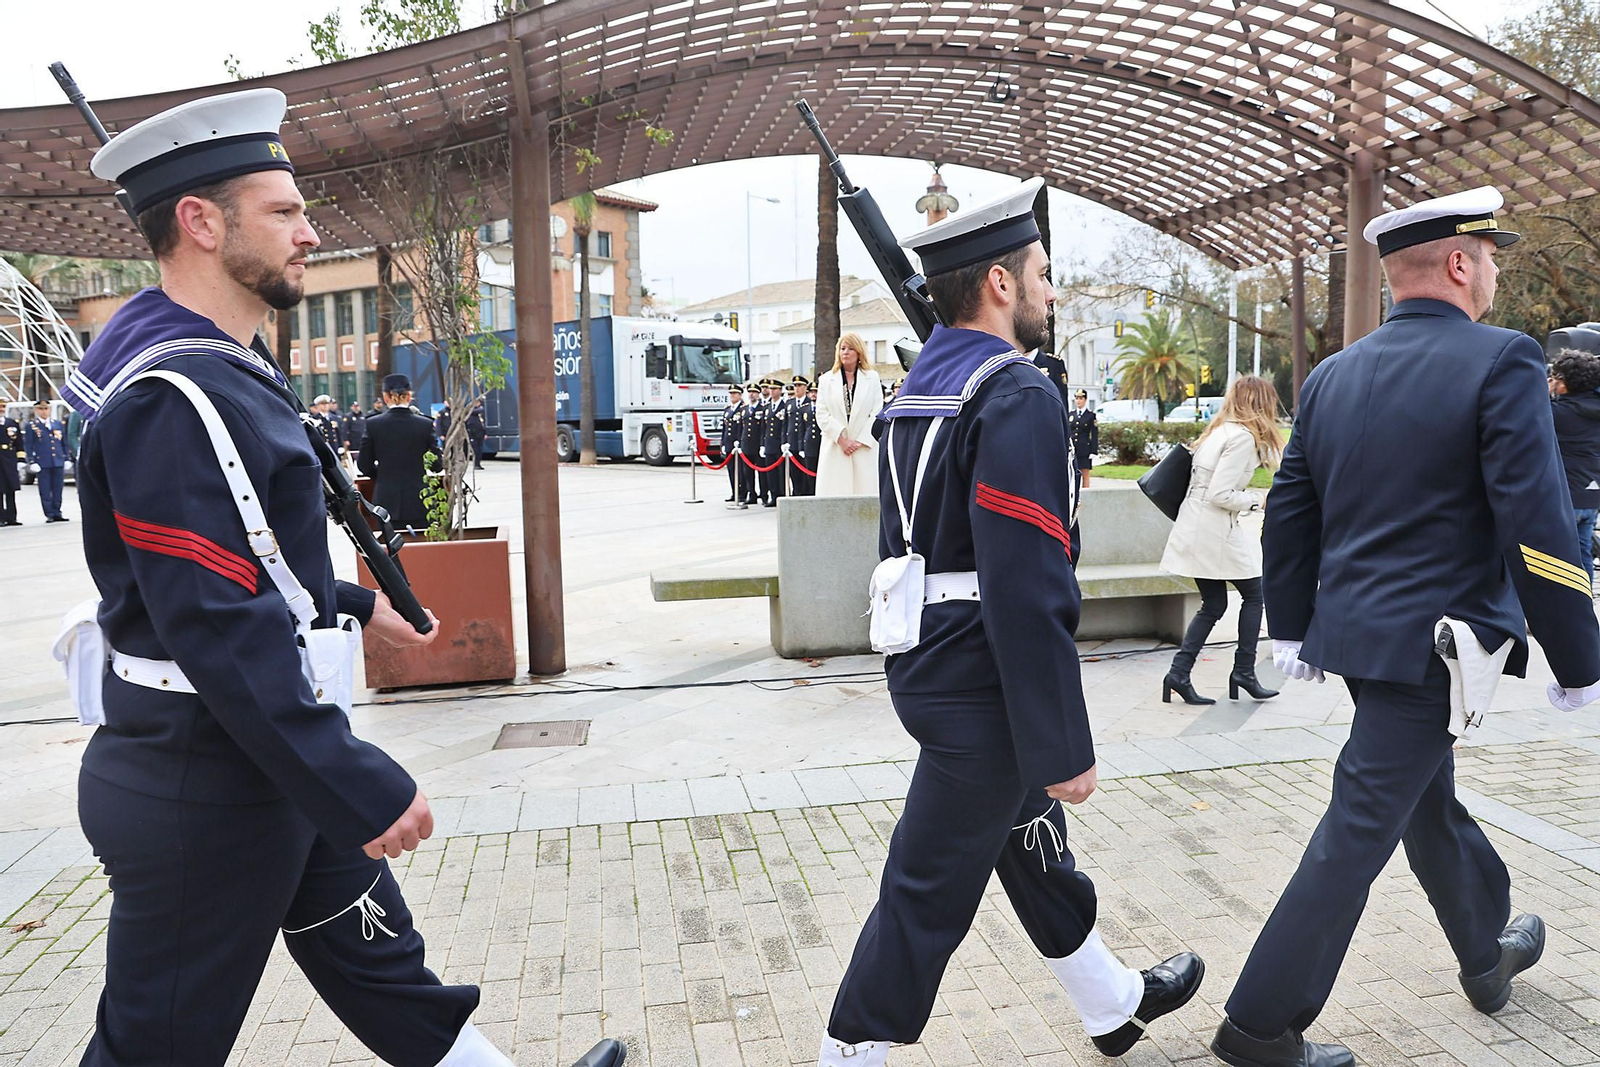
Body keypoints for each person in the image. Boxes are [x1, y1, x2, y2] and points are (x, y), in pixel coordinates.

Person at [60, 88, 629, 1067]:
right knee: (155, 1045)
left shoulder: (206, 364)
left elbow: (254, 562)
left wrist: (355, 602)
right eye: (281, 210)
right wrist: (349, 773)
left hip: (252, 751)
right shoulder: (175, 392)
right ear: (199, 221)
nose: (308, 231)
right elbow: (214, 621)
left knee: (379, 962)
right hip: (208, 776)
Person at [1210, 187, 1600, 1067]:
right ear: (1460, 263)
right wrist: (1577, 652)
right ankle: (1258, 1023)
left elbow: (1292, 511)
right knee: (1359, 825)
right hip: (1437, 647)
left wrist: (1298, 626)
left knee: (1422, 797)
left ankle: (1484, 951)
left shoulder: (1337, 373)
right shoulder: (1502, 361)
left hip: (1363, 639)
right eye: (1490, 254)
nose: (1496, 268)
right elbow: (1535, 521)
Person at [818, 178, 1203, 1067]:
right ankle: (849, 1052)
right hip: (983, 681)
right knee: (926, 889)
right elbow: (1027, 582)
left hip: (931, 661)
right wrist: (1063, 743)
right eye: (1041, 272)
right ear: (999, 282)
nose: (1051, 290)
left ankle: (1111, 1002)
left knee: (1028, 837)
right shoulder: (1012, 391)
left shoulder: (922, 385)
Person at [1158, 375, 1283, 706]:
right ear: (1260, 404)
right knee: (1255, 596)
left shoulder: (1219, 431)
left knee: (1214, 604)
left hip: (1198, 525)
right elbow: (1220, 494)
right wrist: (1257, 499)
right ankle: (1242, 671)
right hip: (1213, 529)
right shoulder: (1241, 438)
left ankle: (1179, 674)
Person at [359, 374, 440, 531]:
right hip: (420, 498)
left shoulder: (373, 424)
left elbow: (364, 465)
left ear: (385, 397)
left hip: (386, 498)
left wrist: (383, 474)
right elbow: (437, 464)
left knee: (389, 550)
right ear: (409, 396)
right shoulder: (425, 424)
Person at [1548, 349, 1600, 586]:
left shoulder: (1556, 412)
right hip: (1592, 496)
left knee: (1552, 558)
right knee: (1583, 552)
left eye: (1557, 379)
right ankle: (1584, 604)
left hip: (1563, 497)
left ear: (1565, 383)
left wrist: (1545, 394)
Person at [815, 332, 883, 496]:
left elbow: (877, 411)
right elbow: (821, 413)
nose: (845, 352)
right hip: (836, 446)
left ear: (859, 352)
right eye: (842, 348)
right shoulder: (826, 380)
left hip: (863, 448)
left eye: (850, 348)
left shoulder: (872, 378)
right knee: (835, 495)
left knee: (866, 494)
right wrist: (842, 439)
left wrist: (860, 440)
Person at [24, 400, 69, 522]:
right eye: (41, 409)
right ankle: (49, 513)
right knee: (45, 489)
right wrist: (31, 461)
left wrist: (67, 457)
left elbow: (64, 442)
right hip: (42, 461)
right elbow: (28, 444)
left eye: (46, 409)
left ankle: (57, 511)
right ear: (36, 410)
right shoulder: (32, 425)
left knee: (58, 488)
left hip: (57, 461)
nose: (44, 411)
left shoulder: (57, 424)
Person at [785, 375, 821, 497]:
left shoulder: (812, 405)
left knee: (809, 473)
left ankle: (809, 493)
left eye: (799, 386)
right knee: (794, 472)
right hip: (798, 443)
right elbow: (788, 425)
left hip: (813, 444)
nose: (797, 388)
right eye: (795, 386)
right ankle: (797, 493)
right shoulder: (790, 404)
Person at [761, 376, 790, 506]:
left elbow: (785, 426)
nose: (771, 391)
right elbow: (763, 427)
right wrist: (762, 444)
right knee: (770, 473)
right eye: (770, 389)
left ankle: (782, 495)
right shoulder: (767, 407)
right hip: (769, 444)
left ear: (780, 390)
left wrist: (785, 442)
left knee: (781, 472)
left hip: (780, 444)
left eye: (774, 389)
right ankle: (773, 496)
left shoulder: (785, 406)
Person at [1068, 388, 1098, 488]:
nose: (1078, 401)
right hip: (1073, 449)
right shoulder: (1071, 415)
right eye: (1076, 398)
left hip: (1084, 449)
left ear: (1085, 400)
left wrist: (1093, 451)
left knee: (1084, 474)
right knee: (1072, 474)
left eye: (1081, 398)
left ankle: (1085, 495)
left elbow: (1094, 434)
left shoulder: (1090, 415)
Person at [721, 387, 745, 506]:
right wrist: (723, 444)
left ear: (740, 395)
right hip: (729, 444)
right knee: (731, 470)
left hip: (738, 445)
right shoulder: (727, 410)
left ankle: (742, 492)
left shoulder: (743, 409)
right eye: (731, 393)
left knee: (740, 470)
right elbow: (724, 429)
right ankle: (734, 491)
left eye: (735, 393)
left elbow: (743, 429)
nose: (732, 395)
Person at [0, 413, 21, 526]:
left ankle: (12, 517)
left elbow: (19, 442)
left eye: (3, 407)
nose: (1, 410)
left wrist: (21, 459)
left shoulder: (12, 423)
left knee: (10, 489)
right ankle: (1, 518)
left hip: (10, 458)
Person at [466, 399, 487, 470]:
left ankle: (478, 463)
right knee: (475, 450)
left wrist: (485, 433)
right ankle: (475, 464)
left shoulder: (479, 414)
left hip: (480, 433)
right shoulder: (471, 412)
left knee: (480, 450)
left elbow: (483, 424)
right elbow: (474, 411)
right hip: (473, 434)